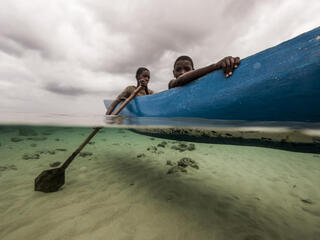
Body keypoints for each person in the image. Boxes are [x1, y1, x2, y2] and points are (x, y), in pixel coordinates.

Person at [168, 55, 240, 89]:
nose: (182, 72)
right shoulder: (172, 83)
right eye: (178, 70)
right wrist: (216, 66)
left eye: (187, 69)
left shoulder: (200, 82)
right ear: (174, 73)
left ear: (193, 70)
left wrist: (229, 64)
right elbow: (181, 79)